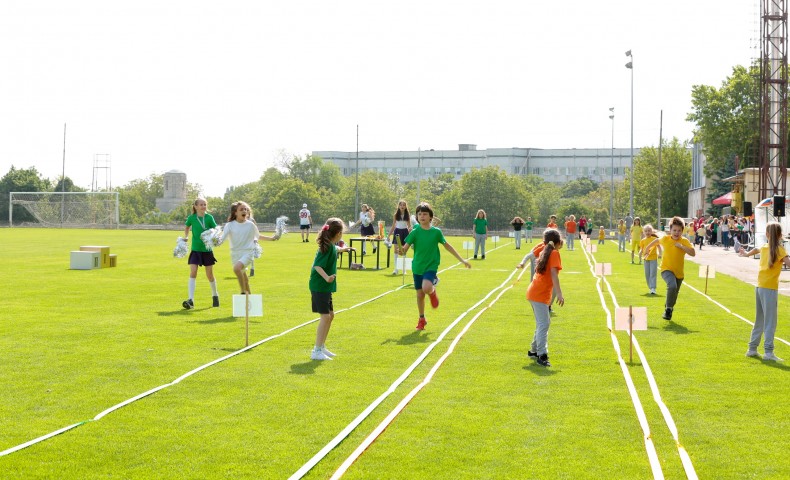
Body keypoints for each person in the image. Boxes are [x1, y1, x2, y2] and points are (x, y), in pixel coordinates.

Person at [399, 203, 471, 330]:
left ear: (431, 217)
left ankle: (432, 292)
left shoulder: (436, 232)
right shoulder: (415, 232)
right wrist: (401, 250)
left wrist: (462, 260)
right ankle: (422, 319)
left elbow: (448, 246)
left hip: (431, 266)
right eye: (420, 214)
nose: (422, 216)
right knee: (420, 295)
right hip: (417, 267)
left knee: (426, 287)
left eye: (425, 214)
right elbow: (405, 249)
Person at [739, 222, 790, 361]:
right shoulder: (780, 249)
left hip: (760, 287)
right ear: (780, 235)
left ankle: (752, 349)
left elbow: (756, 249)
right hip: (769, 289)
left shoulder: (765, 247)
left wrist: (746, 254)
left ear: (767, 234)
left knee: (760, 320)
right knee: (770, 322)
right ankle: (768, 352)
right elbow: (788, 262)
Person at [309, 218, 353, 361]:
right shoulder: (326, 248)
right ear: (339, 233)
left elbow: (337, 249)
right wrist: (327, 277)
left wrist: (344, 249)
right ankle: (316, 350)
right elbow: (317, 266)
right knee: (325, 316)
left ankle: (321, 347)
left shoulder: (332, 246)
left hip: (325, 288)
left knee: (331, 315)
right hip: (319, 286)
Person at [220, 201, 279, 295]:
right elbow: (222, 239)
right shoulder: (229, 225)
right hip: (235, 254)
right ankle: (250, 299)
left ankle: (243, 292)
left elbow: (258, 236)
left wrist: (271, 238)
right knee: (245, 280)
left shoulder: (250, 225)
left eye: (246, 209)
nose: (244, 211)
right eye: (241, 209)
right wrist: (213, 241)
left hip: (247, 253)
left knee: (236, 269)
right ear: (235, 212)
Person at [525, 229, 565, 367]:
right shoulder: (553, 253)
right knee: (544, 324)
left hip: (535, 292)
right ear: (558, 242)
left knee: (541, 323)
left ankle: (534, 350)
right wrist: (559, 293)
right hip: (539, 294)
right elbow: (554, 274)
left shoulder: (546, 251)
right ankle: (542, 355)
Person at [643, 216, 695, 321]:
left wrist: (681, 247)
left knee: (674, 294)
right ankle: (668, 309)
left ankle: (669, 307)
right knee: (672, 286)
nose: (676, 232)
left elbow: (693, 253)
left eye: (679, 230)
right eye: (674, 230)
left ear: (682, 231)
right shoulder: (666, 239)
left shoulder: (684, 241)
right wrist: (648, 248)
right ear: (670, 230)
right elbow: (656, 241)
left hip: (679, 273)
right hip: (666, 269)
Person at [182, 197, 220, 309]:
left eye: (205, 204)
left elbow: (216, 229)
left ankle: (215, 295)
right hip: (195, 249)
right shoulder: (192, 218)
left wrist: (213, 235)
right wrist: (186, 237)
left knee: (210, 275)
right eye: (201, 204)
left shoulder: (209, 217)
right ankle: (191, 300)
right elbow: (187, 227)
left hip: (207, 250)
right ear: (196, 206)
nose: (204, 206)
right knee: (193, 272)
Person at [388, 200, 413, 274]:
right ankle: (395, 269)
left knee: (404, 250)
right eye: (401, 205)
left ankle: (404, 269)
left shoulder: (407, 215)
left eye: (404, 205)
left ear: (406, 207)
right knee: (396, 250)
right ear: (398, 206)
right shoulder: (396, 215)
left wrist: (411, 233)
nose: (402, 206)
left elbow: (409, 226)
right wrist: (389, 235)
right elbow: (393, 225)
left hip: (405, 232)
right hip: (397, 232)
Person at [638, 224, 661, 294]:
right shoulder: (643, 241)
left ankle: (653, 288)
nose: (647, 232)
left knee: (653, 273)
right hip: (646, 259)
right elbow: (642, 249)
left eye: (649, 231)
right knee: (647, 274)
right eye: (646, 231)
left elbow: (659, 247)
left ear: (652, 231)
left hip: (653, 258)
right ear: (644, 232)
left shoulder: (654, 239)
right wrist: (640, 253)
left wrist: (660, 254)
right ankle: (650, 287)